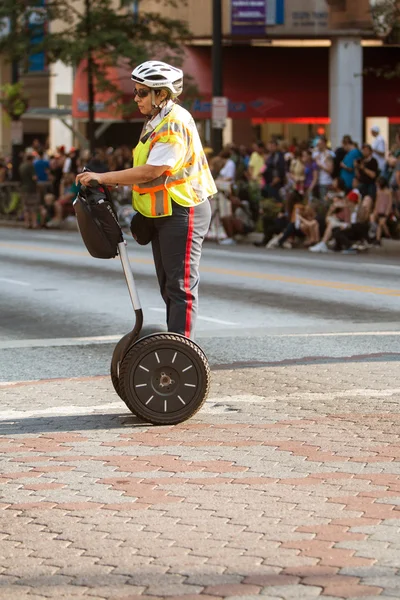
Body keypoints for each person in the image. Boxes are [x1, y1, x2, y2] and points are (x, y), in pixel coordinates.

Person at [76, 60, 216, 339]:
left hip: (183, 209)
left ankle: (181, 351)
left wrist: (104, 177)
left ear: (161, 94)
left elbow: (153, 170)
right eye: (136, 92)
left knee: (180, 286)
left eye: (142, 92)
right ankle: (173, 345)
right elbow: (149, 174)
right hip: (164, 213)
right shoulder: (156, 121)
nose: (136, 98)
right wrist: (113, 181)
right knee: (168, 285)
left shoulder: (173, 123)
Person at [19, 151, 40, 229]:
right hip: (31, 188)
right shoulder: (30, 166)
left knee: (25, 207)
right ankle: (34, 223)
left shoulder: (21, 166)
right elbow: (34, 177)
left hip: (23, 188)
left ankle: (27, 223)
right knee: (33, 207)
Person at [312, 136, 334, 203]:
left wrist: (320, 165)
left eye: (319, 144)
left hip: (325, 181)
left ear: (324, 143)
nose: (318, 145)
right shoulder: (318, 153)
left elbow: (330, 170)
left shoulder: (329, 154)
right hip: (319, 181)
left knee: (324, 202)